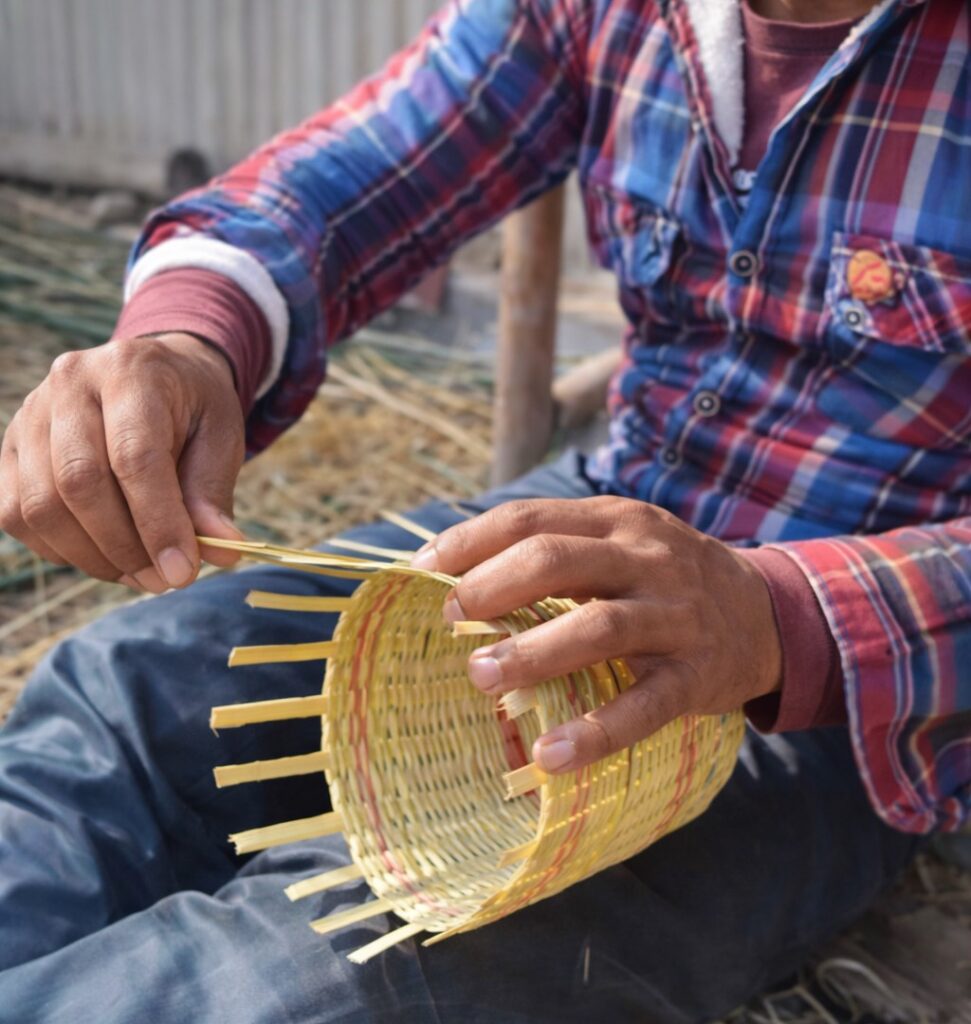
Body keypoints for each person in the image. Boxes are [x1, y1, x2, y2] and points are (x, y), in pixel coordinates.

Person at [0, 0, 967, 1019]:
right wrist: (187, 339)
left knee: (310, 977)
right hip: (600, 509)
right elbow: (341, 181)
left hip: (836, 683)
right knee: (122, 694)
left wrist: (772, 616)